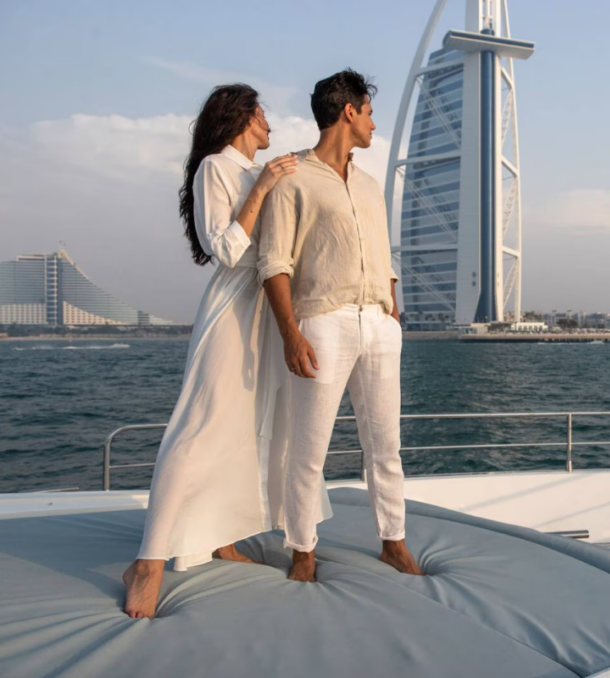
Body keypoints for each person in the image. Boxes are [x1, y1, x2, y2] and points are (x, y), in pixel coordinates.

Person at [122, 84, 305, 619]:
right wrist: (265, 185)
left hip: (267, 312)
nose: (271, 123)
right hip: (232, 309)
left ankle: (225, 536)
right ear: (244, 116)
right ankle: (149, 561)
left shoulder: (259, 172)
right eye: (264, 113)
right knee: (198, 426)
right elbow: (222, 248)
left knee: (248, 426)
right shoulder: (216, 169)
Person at [258, 69, 422, 582]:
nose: (374, 123)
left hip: (378, 323)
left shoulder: (371, 186)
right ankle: (302, 552)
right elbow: (274, 263)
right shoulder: (293, 180)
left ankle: (393, 542)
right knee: (309, 449)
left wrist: (391, 309)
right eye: (369, 112)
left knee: (385, 446)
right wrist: (291, 331)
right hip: (323, 322)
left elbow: (385, 255)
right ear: (348, 111)